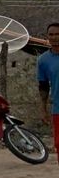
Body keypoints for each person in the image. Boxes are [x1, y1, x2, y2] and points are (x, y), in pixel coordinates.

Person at [37, 22, 59, 159]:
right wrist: (43, 109)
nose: (55, 37)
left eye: (57, 34)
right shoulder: (43, 60)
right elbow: (43, 85)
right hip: (58, 109)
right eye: (51, 34)